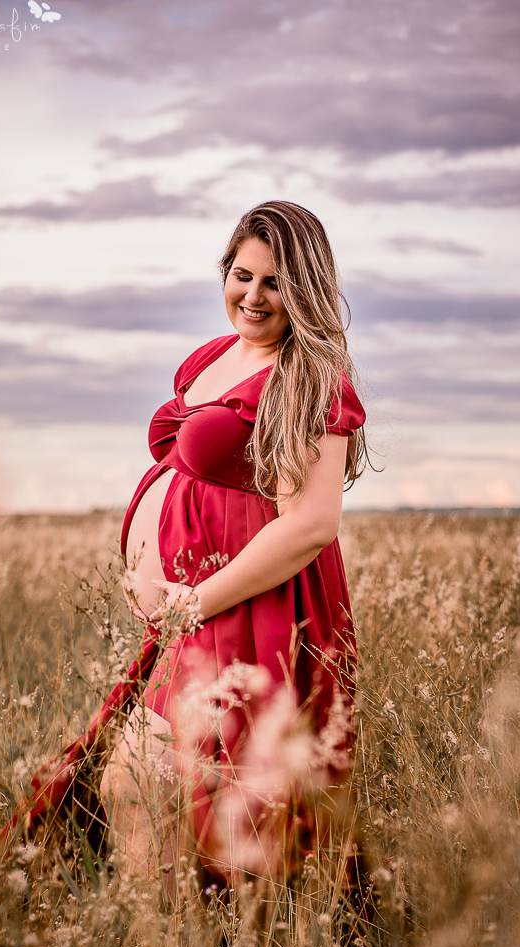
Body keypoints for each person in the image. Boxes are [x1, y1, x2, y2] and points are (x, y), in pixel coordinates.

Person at [100, 200, 368, 891]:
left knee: (213, 798)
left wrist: (194, 601)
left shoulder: (308, 377)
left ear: (304, 289)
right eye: (241, 275)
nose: (252, 296)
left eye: (274, 283)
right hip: (191, 611)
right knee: (137, 786)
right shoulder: (212, 357)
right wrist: (148, 576)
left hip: (252, 607)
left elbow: (309, 525)